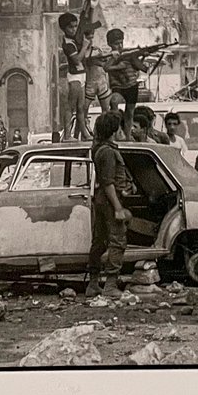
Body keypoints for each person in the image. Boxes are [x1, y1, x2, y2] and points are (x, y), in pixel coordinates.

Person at [87, 111, 134, 299]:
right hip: (109, 201)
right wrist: (118, 208)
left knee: (99, 241)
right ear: (114, 131)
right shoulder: (107, 151)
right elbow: (108, 183)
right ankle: (110, 285)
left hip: (102, 200)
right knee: (118, 241)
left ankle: (93, 284)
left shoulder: (101, 148)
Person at [103, 28, 149, 138]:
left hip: (132, 86)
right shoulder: (109, 56)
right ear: (109, 44)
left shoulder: (129, 54)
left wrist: (143, 55)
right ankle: (116, 131)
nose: (119, 46)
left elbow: (141, 68)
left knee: (130, 113)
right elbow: (106, 68)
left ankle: (127, 136)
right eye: (116, 43)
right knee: (114, 102)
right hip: (118, 87)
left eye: (121, 43)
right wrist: (114, 59)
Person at [59, 12, 93, 140]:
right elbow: (77, 59)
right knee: (71, 106)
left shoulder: (74, 39)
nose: (74, 29)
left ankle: (84, 133)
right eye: (70, 27)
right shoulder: (68, 44)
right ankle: (68, 135)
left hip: (81, 75)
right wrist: (85, 46)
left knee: (81, 107)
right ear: (64, 28)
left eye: (75, 26)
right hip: (75, 78)